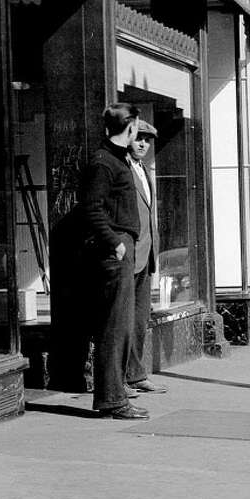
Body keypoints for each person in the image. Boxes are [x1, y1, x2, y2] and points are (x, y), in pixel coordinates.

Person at [80, 103, 147, 420]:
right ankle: (112, 399)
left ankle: (114, 396)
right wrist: (115, 243)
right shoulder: (104, 162)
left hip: (122, 246)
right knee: (114, 327)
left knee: (119, 327)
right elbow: (91, 208)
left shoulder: (116, 159)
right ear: (131, 127)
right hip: (115, 249)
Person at [125, 120, 167, 396]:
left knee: (139, 319)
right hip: (126, 257)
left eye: (147, 140)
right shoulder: (121, 169)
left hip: (145, 256)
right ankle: (118, 379)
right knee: (122, 321)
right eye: (138, 139)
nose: (143, 144)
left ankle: (135, 374)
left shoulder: (143, 171)